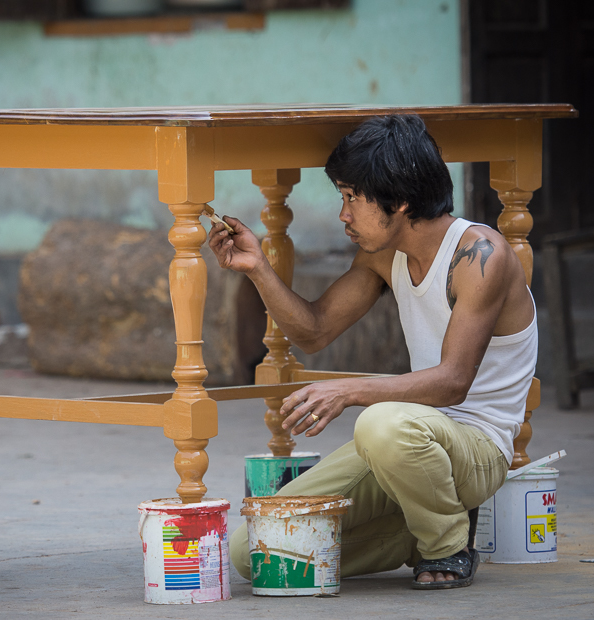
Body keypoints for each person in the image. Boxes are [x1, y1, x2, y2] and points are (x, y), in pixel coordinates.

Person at [206, 114, 537, 589]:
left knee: (381, 422)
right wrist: (258, 268)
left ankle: (446, 545)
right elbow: (314, 330)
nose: (343, 214)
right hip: (407, 444)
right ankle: (417, 534)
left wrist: (350, 391)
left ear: (399, 201)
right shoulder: (383, 253)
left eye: (351, 198)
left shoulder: (481, 255)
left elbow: (452, 381)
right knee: (255, 549)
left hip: (475, 447)